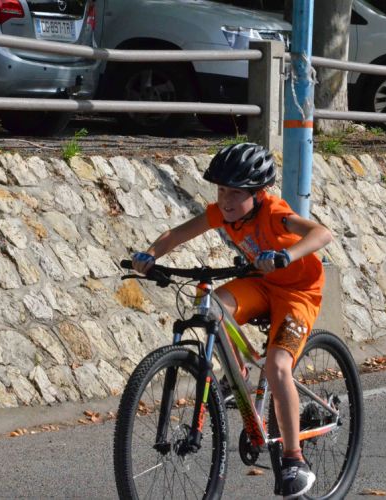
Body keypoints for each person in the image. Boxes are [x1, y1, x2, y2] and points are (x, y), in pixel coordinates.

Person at [132, 142, 332, 499]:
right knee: (211, 303)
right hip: (261, 283)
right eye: (222, 190)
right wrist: (150, 254)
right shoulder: (223, 213)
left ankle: (293, 459)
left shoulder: (275, 212)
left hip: (298, 293)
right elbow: (178, 234)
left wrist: (286, 255)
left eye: (236, 193)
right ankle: (236, 374)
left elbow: (322, 234)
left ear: (258, 193)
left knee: (277, 366)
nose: (225, 199)